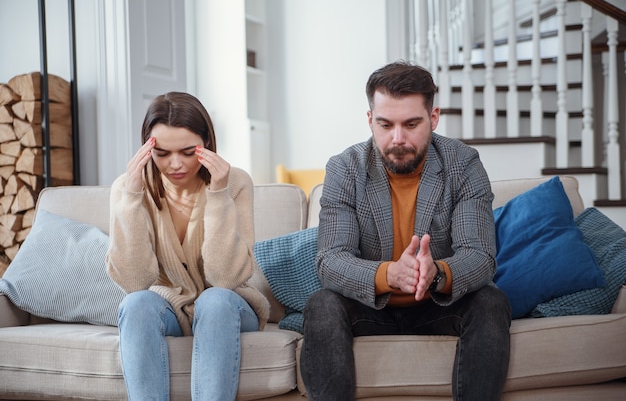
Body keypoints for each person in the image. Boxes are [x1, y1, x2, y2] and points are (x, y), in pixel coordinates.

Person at [300, 61, 511, 401]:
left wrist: (439, 272)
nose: (398, 139)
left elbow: (481, 256)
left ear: (434, 118)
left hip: (438, 305)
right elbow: (331, 260)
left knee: (490, 300)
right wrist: (390, 274)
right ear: (370, 120)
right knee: (322, 304)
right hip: (370, 307)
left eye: (411, 124)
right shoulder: (344, 168)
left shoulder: (464, 164)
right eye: (385, 125)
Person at [105, 92, 269, 401]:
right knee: (136, 305)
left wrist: (219, 194)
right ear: (146, 148)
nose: (175, 164)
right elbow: (135, 283)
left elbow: (226, 279)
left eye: (188, 151)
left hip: (229, 305)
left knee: (215, 300)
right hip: (169, 308)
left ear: (206, 144)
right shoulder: (127, 189)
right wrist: (131, 198)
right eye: (163, 153)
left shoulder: (235, 183)